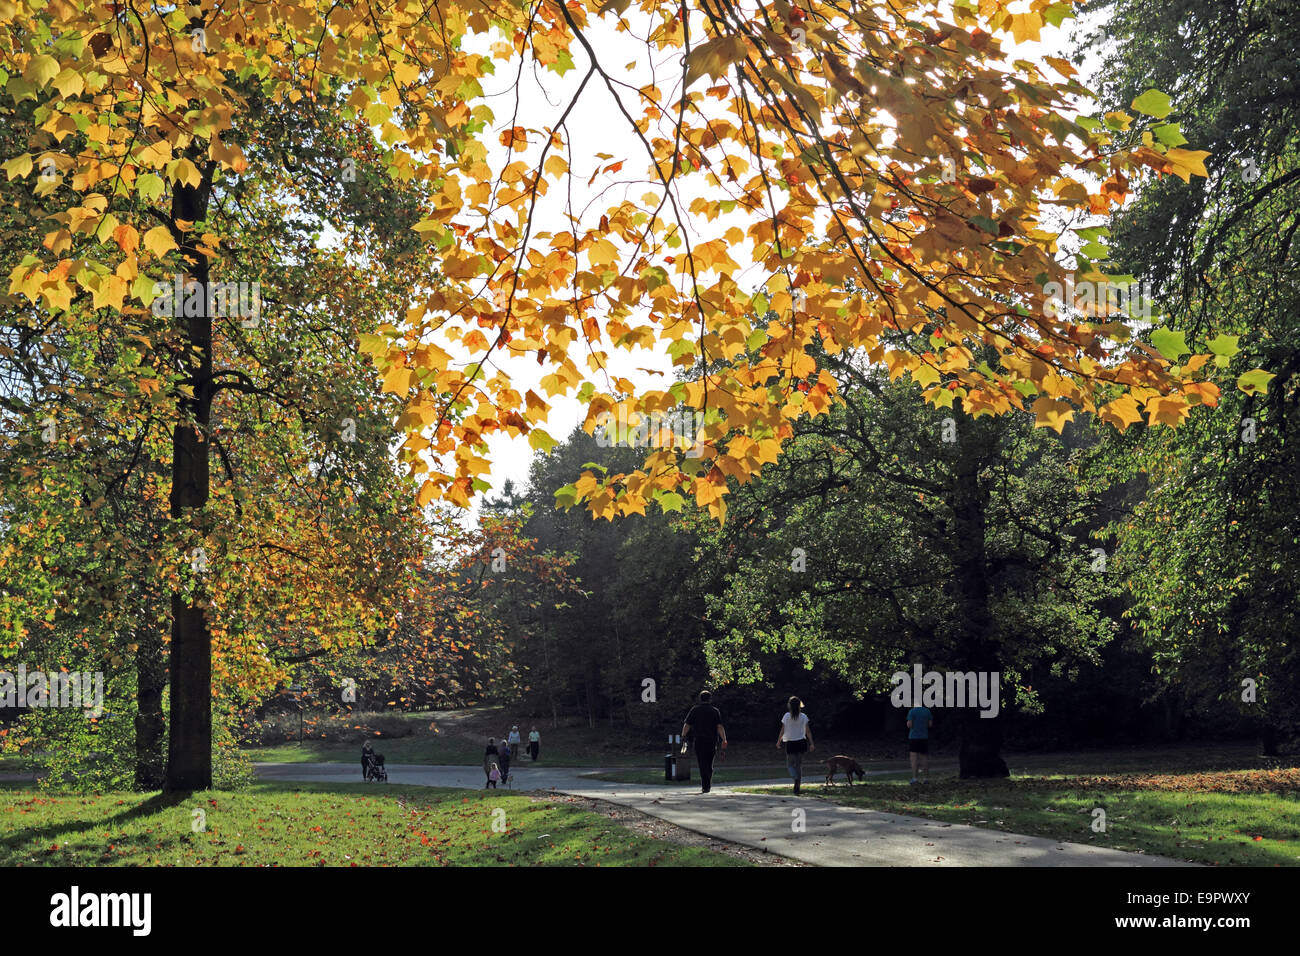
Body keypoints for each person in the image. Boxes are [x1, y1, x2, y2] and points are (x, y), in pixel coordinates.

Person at [681, 690, 727, 793]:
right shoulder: (715, 711)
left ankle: (705, 786)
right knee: (709, 763)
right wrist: (724, 739)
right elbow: (719, 726)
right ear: (710, 699)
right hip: (711, 740)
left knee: (702, 763)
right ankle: (707, 785)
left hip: (699, 740)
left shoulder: (695, 710)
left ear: (700, 699)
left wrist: (683, 736)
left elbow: (687, 724)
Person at [776, 696, 813, 794]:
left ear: (790, 705)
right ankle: (797, 787)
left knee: (790, 765)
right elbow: (808, 731)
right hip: (801, 742)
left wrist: (779, 741)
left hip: (791, 743)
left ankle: (795, 778)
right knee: (798, 765)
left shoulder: (787, 716)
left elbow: (782, 730)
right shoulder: (804, 716)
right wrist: (811, 743)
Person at [906, 703, 933, 784]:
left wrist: (908, 724)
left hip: (913, 737)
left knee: (914, 758)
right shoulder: (927, 711)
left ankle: (915, 778)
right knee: (924, 758)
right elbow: (930, 724)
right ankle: (926, 778)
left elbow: (909, 725)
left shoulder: (912, 711)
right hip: (924, 737)